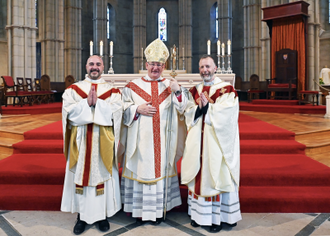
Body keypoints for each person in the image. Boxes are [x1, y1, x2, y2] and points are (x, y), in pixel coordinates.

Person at [119, 38, 188, 224]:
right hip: (139, 143)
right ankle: (139, 211)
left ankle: (159, 211)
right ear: (145, 64)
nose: (155, 68)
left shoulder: (170, 85)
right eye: (152, 64)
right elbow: (121, 110)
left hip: (163, 143)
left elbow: (184, 109)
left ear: (164, 66)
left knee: (160, 170)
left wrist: (178, 91)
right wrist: (136, 109)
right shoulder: (132, 86)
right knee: (140, 168)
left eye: (159, 64)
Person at [61, 55, 122, 235]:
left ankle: (102, 216)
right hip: (80, 141)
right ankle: (81, 217)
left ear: (103, 67)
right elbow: (68, 112)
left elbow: (116, 112)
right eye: (91, 64)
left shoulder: (112, 91)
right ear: (85, 66)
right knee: (82, 175)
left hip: (102, 140)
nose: (94, 67)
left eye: (98, 64)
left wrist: (98, 105)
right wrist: (85, 105)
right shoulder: (73, 90)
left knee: (101, 174)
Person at [181, 55, 242, 233]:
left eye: (207, 66)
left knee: (217, 174)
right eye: (201, 67)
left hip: (217, 143)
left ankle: (220, 217)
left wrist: (208, 108)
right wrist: (198, 108)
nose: (204, 70)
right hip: (198, 142)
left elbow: (229, 114)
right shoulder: (195, 90)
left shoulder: (226, 89)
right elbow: (188, 113)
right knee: (200, 173)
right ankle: (199, 215)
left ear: (215, 68)